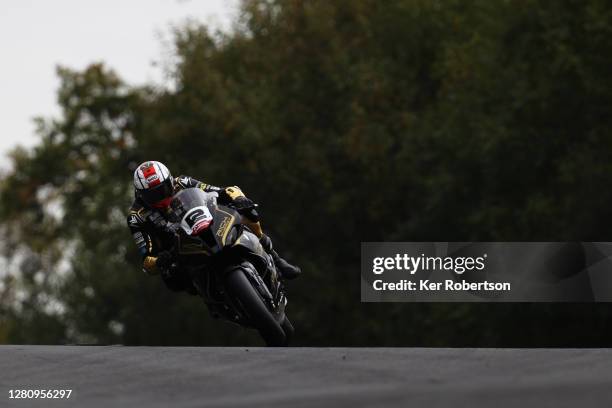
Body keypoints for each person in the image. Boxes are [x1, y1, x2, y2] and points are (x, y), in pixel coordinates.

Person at [127, 160, 301, 294]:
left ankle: (275, 258)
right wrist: (159, 261)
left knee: (247, 213)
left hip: (205, 225)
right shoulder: (136, 216)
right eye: (153, 195)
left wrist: (238, 199)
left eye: (163, 189)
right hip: (177, 249)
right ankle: (212, 296)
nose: (161, 198)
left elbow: (220, 190)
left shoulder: (182, 182)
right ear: (141, 195)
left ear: (170, 181)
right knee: (173, 280)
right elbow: (146, 260)